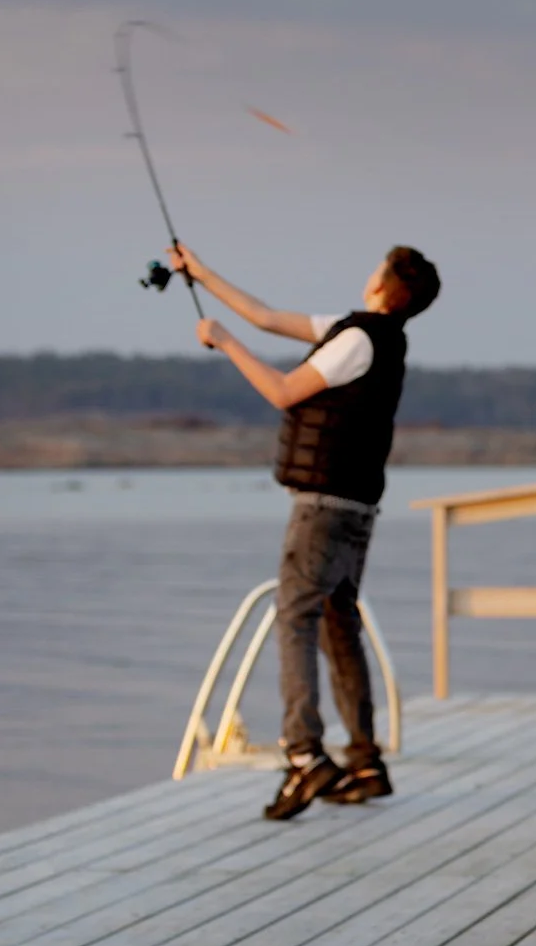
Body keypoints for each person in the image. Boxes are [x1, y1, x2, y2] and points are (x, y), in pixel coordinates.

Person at [167, 242, 441, 820]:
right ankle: (364, 762)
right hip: (358, 508)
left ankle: (304, 755)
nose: (367, 272)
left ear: (387, 289)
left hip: (323, 507)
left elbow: (283, 391)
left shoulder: (358, 340)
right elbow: (266, 315)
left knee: (295, 618)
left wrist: (224, 342)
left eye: (377, 268)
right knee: (340, 625)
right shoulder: (366, 335)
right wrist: (200, 272)